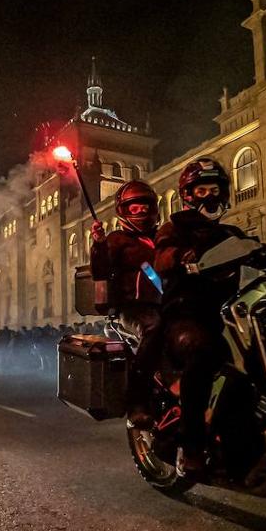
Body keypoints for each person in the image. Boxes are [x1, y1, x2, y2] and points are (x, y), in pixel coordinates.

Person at [153, 157, 247, 476]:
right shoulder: (175, 227)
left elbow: (255, 250)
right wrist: (181, 256)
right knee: (203, 353)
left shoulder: (231, 232)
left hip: (230, 311)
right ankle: (190, 446)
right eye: (201, 189)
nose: (210, 196)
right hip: (186, 313)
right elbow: (162, 256)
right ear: (188, 196)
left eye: (215, 188)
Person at [89, 180, 162, 427]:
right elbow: (100, 270)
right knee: (153, 329)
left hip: (168, 303)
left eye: (145, 206)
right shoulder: (117, 239)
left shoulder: (164, 237)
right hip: (133, 308)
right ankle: (137, 399)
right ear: (124, 211)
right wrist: (99, 244)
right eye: (134, 208)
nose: (141, 211)